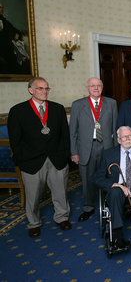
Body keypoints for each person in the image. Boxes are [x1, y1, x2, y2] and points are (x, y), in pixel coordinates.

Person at [7, 77, 72, 237]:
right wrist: (23, 159)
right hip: (32, 161)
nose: (44, 92)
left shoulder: (57, 109)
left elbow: (65, 135)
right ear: (31, 90)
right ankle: (34, 223)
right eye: (40, 89)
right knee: (33, 195)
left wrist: (64, 155)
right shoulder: (18, 111)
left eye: (46, 89)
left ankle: (61, 217)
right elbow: (15, 140)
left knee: (60, 191)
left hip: (57, 158)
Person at [70, 77, 118, 222]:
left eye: (98, 85)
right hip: (86, 148)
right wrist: (74, 152)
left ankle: (109, 204)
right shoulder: (78, 105)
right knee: (87, 179)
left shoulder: (111, 103)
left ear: (102, 87)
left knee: (109, 177)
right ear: (87, 88)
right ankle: (88, 207)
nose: (96, 88)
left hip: (107, 147)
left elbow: (116, 128)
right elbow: (73, 131)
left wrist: (117, 151)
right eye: (92, 86)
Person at [0, 2, 21, 73]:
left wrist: (17, 34)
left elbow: (16, 31)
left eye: (2, 7)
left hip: (7, 50)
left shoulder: (5, 22)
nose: (1, 9)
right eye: (0, 7)